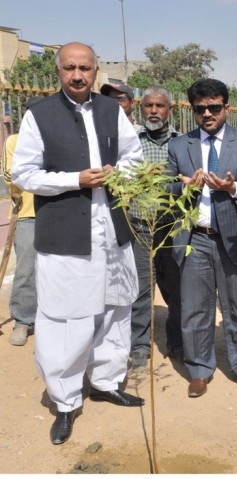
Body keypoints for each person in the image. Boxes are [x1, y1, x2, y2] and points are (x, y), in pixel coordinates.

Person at [11, 42, 145, 446]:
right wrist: (75, 180)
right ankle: (66, 401)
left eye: (84, 68)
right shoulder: (40, 114)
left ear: (96, 70)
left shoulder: (111, 111)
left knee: (115, 312)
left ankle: (106, 381)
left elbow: (134, 157)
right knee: (65, 322)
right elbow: (24, 174)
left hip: (112, 233)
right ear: (58, 70)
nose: (77, 75)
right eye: (69, 67)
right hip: (66, 235)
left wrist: (116, 171)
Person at [167, 78, 237, 398]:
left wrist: (233, 188)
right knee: (195, 310)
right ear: (193, 111)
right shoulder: (178, 146)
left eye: (214, 107)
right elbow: (166, 191)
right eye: (200, 110)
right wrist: (185, 187)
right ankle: (199, 368)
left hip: (236, 237)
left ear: (226, 107)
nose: (208, 114)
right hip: (195, 239)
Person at [128, 86, 182, 369]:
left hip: (172, 228)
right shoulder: (133, 142)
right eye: (148, 106)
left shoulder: (183, 143)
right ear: (141, 108)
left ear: (170, 110)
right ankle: (139, 344)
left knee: (175, 286)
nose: (154, 111)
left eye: (160, 106)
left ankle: (177, 342)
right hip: (140, 227)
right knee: (141, 287)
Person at [1, 97, 43, 346]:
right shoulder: (13, 142)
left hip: (57, 213)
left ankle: (53, 317)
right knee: (26, 268)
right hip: (27, 212)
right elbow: (10, 176)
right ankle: (23, 320)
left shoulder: (53, 141)